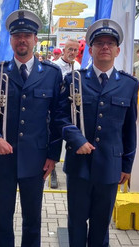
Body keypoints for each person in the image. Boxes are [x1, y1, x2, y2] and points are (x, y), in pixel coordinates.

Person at [0, 9, 62, 247]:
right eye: (17, 35)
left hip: (35, 160)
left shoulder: (51, 75)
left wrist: (53, 155)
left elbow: (58, 117)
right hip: (2, 159)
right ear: (11, 39)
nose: (22, 40)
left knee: (32, 217)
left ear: (36, 39)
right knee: (2, 215)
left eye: (27, 35)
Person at [56, 19, 138, 247]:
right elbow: (60, 118)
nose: (105, 47)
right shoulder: (74, 80)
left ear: (116, 50)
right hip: (79, 165)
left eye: (110, 44)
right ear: (89, 50)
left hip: (110, 166)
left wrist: (127, 165)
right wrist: (76, 139)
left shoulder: (128, 84)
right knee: (77, 220)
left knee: (101, 222)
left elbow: (130, 128)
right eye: (99, 43)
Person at [51, 39, 81, 189]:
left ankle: (70, 168)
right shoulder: (55, 67)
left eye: (75, 50)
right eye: (70, 49)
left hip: (73, 111)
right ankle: (52, 172)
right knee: (54, 142)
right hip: (57, 110)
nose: (72, 53)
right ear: (63, 50)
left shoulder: (79, 67)